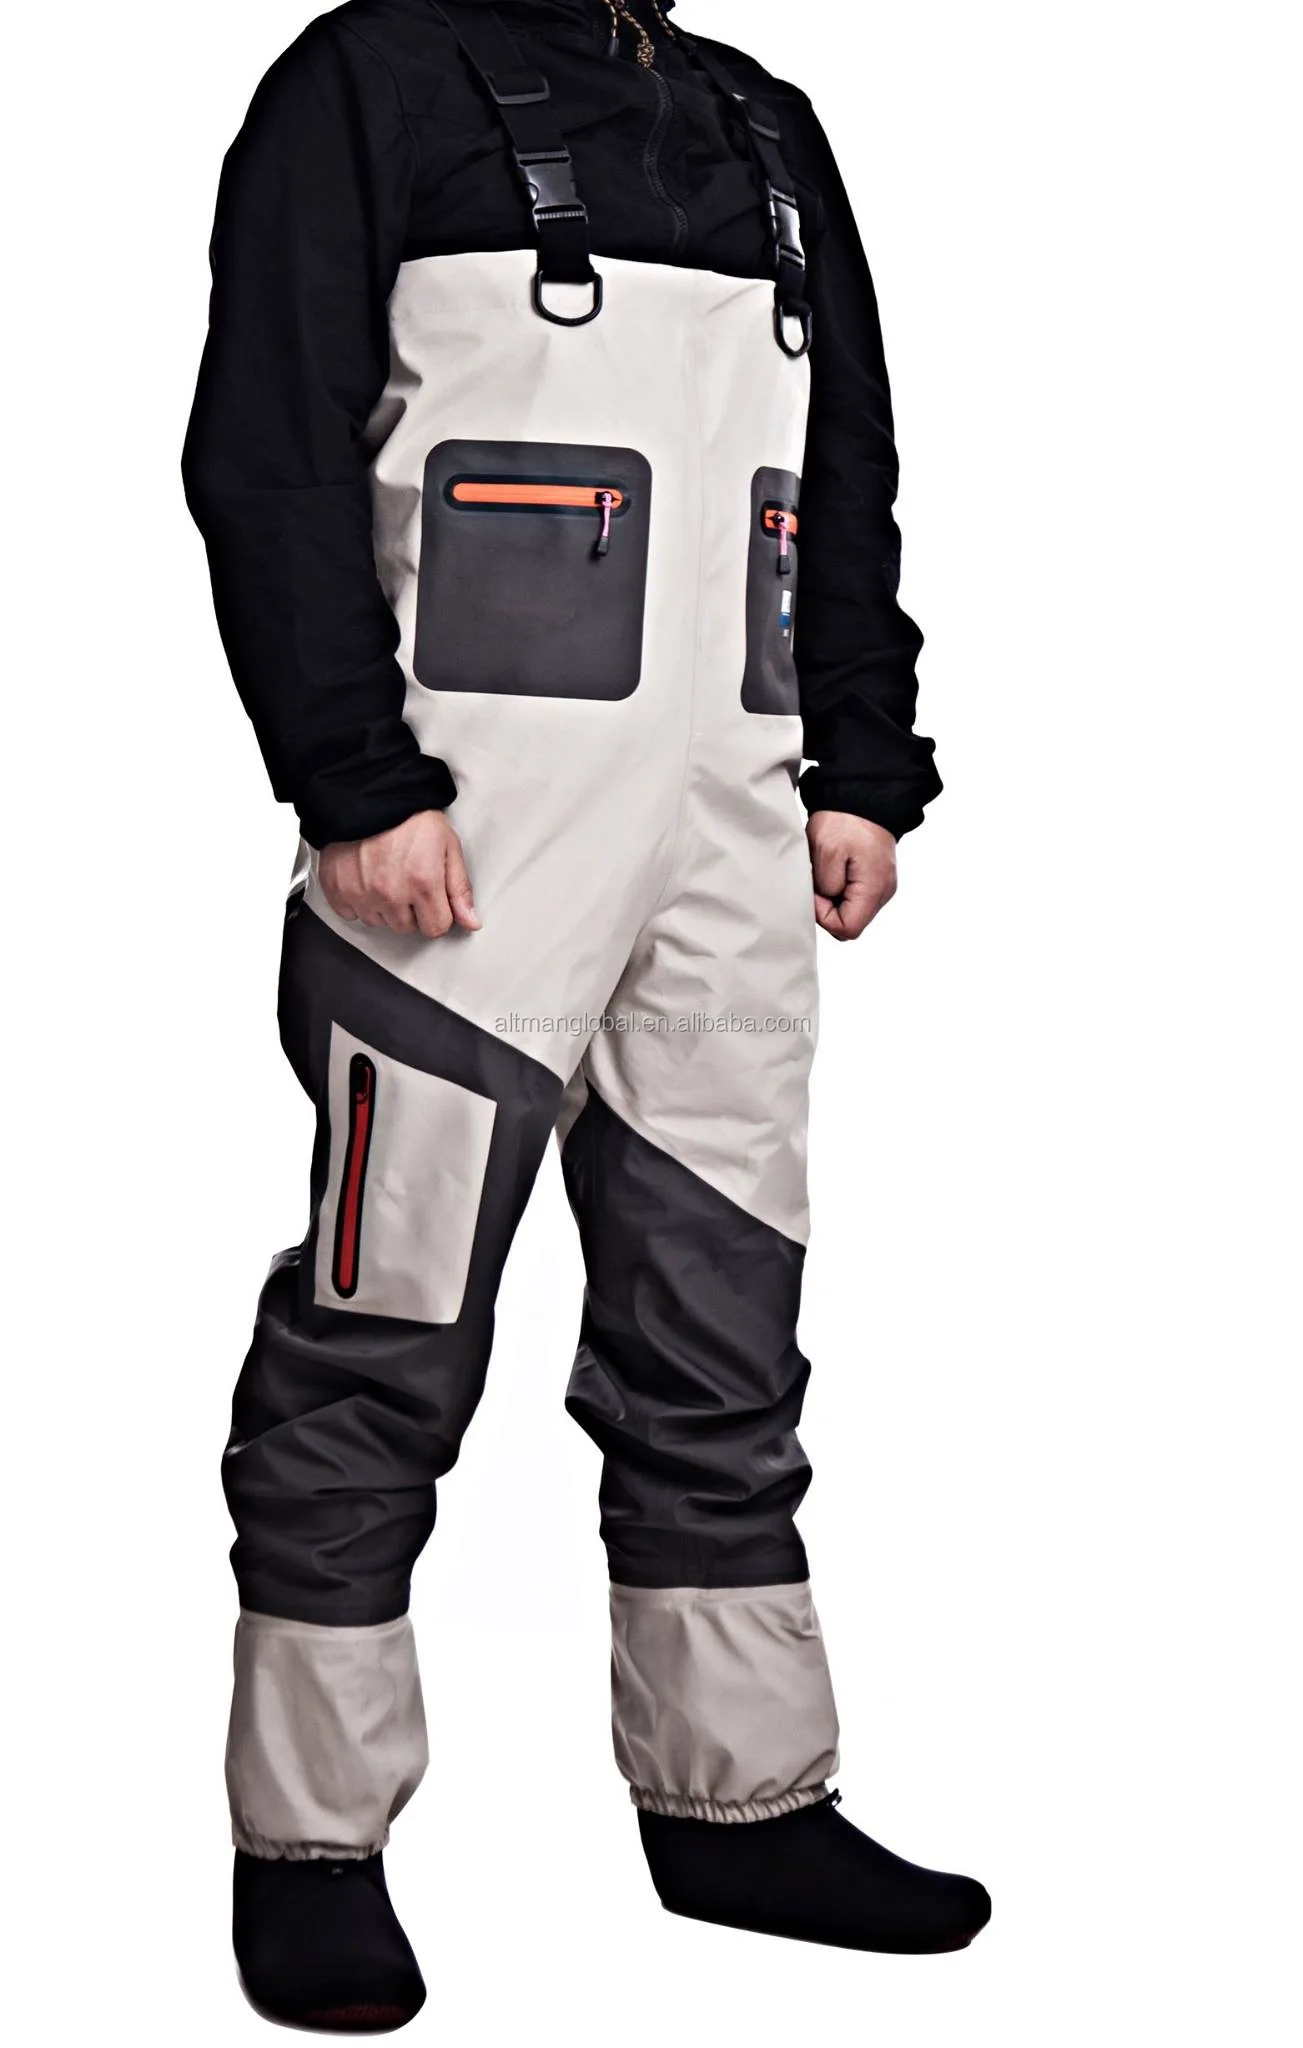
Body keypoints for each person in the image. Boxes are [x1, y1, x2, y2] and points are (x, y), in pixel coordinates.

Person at [184, 0, 988, 2027]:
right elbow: (266, 452)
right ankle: (311, 1843)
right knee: (381, 1335)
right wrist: (352, 780)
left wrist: (864, 761)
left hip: (737, 826)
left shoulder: (761, 121)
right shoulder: (368, 79)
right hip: (471, 831)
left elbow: (846, 471)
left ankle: (740, 1807)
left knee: (720, 1331)